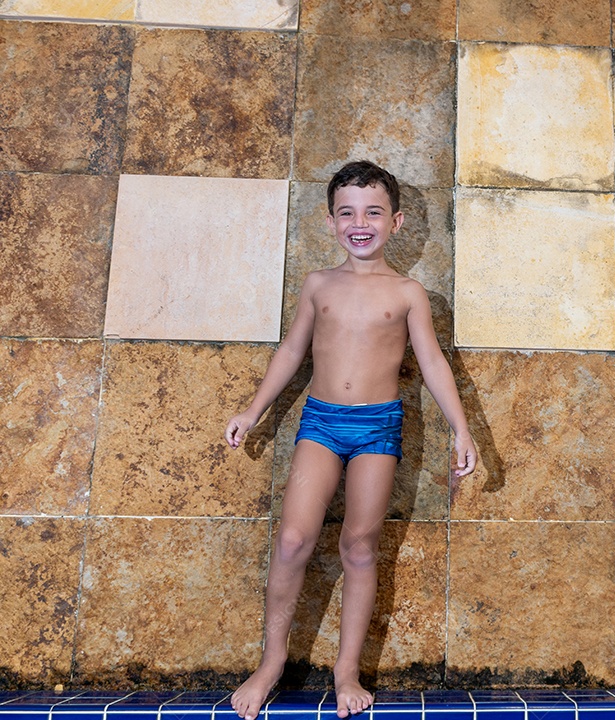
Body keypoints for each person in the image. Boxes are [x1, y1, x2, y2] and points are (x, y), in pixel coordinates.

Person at [225, 160, 476, 720]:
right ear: (331, 221)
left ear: (397, 222)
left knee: (359, 546)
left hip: (378, 426)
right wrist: (253, 409)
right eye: (347, 213)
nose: (359, 223)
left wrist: (461, 428)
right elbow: (292, 351)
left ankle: (346, 670)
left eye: (373, 212)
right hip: (320, 422)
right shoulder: (319, 285)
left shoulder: (408, 293)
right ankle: (271, 661)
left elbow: (433, 363)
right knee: (293, 539)